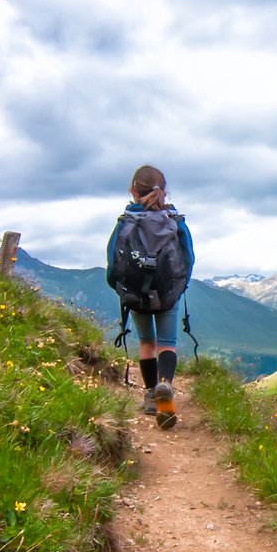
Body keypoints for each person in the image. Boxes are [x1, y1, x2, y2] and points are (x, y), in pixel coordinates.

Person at [106, 165, 195, 429]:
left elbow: (113, 262)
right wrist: (180, 288)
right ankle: (165, 384)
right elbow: (188, 258)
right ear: (164, 191)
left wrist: (121, 290)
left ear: (133, 190)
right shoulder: (175, 222)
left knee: (147, 343)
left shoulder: (126, 221)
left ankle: (149, 395)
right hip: (168, 293)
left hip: (136, 294)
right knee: (167, 344)